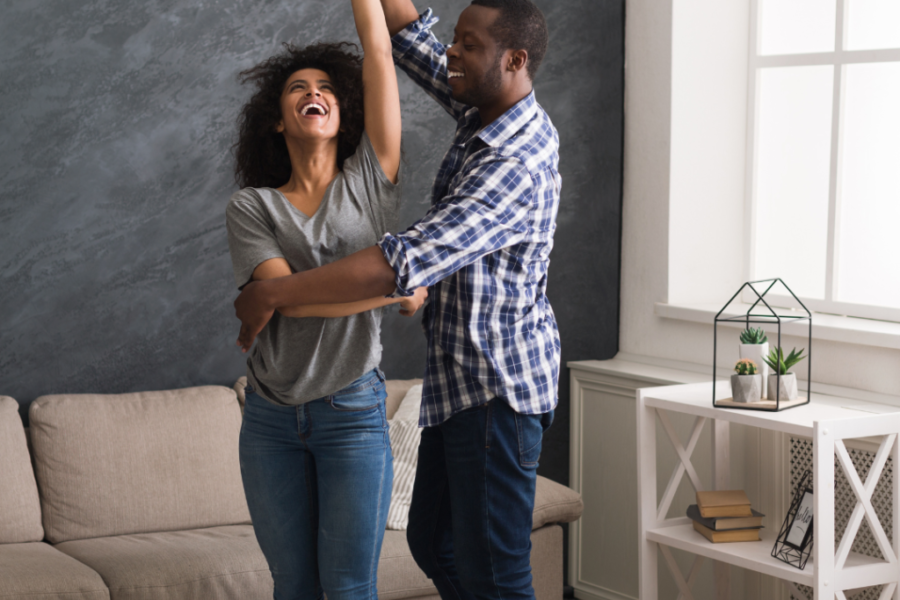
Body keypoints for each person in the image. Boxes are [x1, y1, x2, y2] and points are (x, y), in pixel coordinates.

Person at [232, 1, 560, 599]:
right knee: (434, 543)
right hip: (455, 387)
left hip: (496, 390)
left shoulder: (511, 161)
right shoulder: (484, 103)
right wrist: (397, 294)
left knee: (496, 574)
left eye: (467, 44)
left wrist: (274, 293)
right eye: (455, 40)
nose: (450, 54)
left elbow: (399, 263)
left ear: (513, 61)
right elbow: (404, 38)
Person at [225, 0, 427, 598]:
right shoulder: (252, 206)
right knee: (293, 586)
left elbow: (379, 52)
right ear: (277, 119)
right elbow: (287, 301)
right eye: (297, 89)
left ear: (344, 111)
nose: (313, 93)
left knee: (347, 589)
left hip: (352, 415)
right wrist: (390, 290)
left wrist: (276, 295)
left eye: (325, 89)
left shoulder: (371, 179)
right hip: (269, 418)